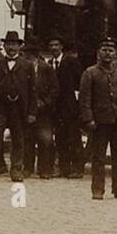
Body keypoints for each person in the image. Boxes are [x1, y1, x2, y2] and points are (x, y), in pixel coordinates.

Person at [79, 37, 117, 200]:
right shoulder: (90, 73)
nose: (107, 53)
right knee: (99, 157)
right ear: (98, 53)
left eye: (111, 50)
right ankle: (98, 189)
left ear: (116, 53)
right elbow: (85, 99)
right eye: (104, 50)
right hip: (99, 122)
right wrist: (88, 119)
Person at [0, 31, 35, 184]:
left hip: (19, 109)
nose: (11, 47)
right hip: (0, 108)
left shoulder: (27, 65)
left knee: (18, 139)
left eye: (14, 44)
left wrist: (32, 112)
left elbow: (32, 90)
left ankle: (16, 170)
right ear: (4, 46)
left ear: (19, 46)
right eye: (9, 44)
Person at [47, 36, 83, 178]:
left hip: (70, 106)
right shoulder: (49, 64)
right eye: (51, 45)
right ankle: (63, 168)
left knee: (74, 137)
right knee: (60, 138)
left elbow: (80, 82)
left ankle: (77, 168)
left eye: (56, 45)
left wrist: (77, 102)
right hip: (56, 107)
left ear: (61, 47)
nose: (54, 48)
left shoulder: (71, 62)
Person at [27, 39, 58, 177]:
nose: (28, 57)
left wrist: (45, 102)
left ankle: (45, 169)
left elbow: (55, 89)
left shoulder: (46, 68)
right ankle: (27, 168)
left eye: (30, 54)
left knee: (46, 140)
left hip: (44, 112)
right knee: (28, 140)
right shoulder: (21, 67)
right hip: (27, 110)